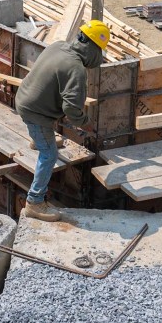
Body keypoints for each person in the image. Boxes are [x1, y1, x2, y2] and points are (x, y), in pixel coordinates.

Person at [14, 19, 110, 221]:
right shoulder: (76, 69)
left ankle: (39, 138)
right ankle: (34, 202)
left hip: (23, 98)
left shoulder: (58, 46)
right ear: (92, 48)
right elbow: (71, 109)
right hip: (35, 113)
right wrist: (86, 123)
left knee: (51, 113)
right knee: (49, 154)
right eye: (100, 51)